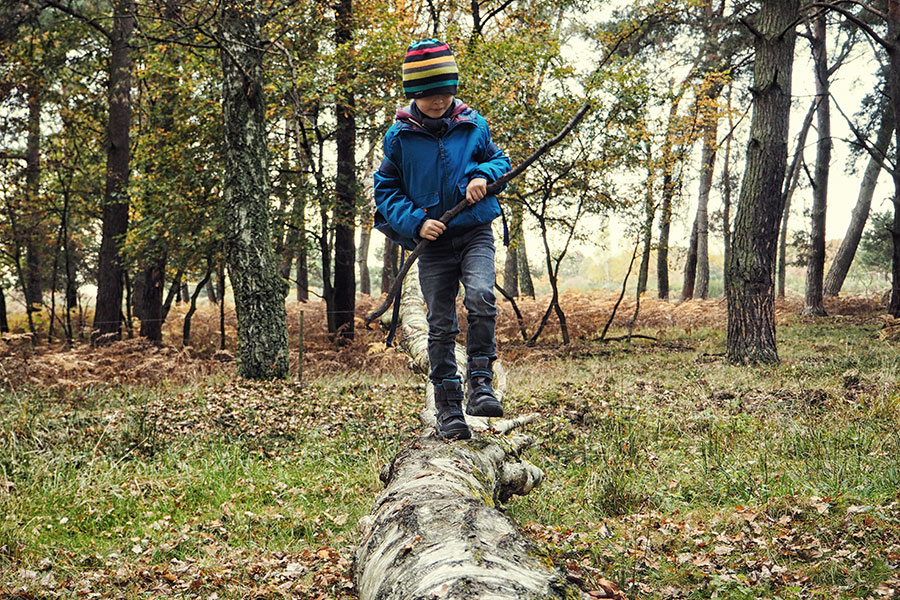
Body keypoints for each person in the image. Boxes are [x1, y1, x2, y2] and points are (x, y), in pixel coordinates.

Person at [373, 39, 511, 440]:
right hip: (433, 245)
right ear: (413, 94)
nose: (438, 101)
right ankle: (448, 406)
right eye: (429, 94)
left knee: (481, 296)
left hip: (474, 232)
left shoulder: (473, 125)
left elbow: (499, 161)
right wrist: (417, 223)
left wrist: (482, 176)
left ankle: (480, 382)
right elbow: (386, 192)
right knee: (441, 323)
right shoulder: (399, 138)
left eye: (445, 92)